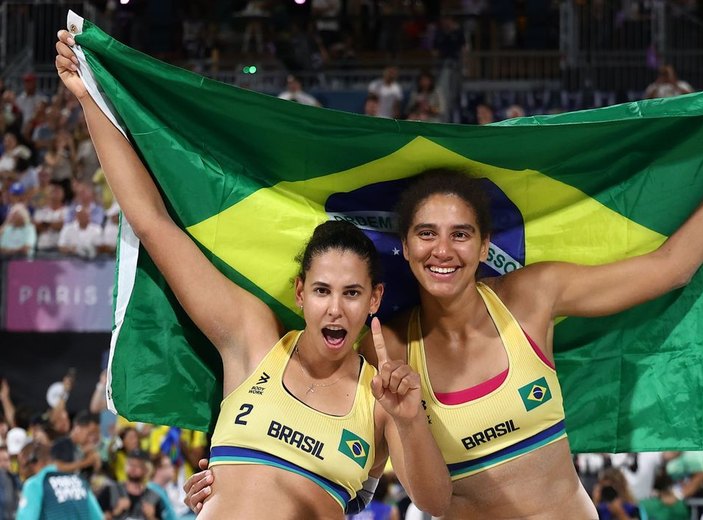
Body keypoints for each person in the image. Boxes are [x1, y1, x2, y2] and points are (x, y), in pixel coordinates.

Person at [188, 90, 703, 517]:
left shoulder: (530, 298)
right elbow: (346, 455)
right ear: (405, 248)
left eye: (460, 234)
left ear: (483, 247)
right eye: (426, 233)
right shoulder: (387, 344)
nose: (442, 250)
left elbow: (670, 268)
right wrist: (240, 482)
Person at [56, 29, 450, 520]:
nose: (335, 306)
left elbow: (435, 502)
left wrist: (410, 422)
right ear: (301, 292)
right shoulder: (251, 337)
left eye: (352, 293)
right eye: (323, 290)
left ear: (374, 300)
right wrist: (89, 94)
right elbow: (153, 224)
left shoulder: (382, 398)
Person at [15, 441, 103, 519]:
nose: (21, 472)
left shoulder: (35, 484)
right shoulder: (79, 481)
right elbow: (98, 517)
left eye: (22, 465)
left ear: (34, 462)